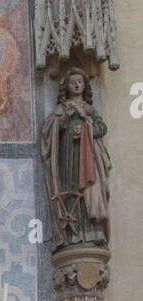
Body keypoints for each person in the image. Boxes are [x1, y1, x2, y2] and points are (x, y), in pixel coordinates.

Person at [41, 67, 110, 248]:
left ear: (84, 85)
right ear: (67, 87)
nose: (76, 85)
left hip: (88, 158)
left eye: (79, 82)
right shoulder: (61, 109)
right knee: (71, 190)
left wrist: (88, 128)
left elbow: (102, 128)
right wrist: (64, 119)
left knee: (89, 190)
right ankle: (73, 235)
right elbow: (49, 131)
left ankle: (93, 232)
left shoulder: (89, 109)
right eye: (72, 83)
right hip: (68, 157)